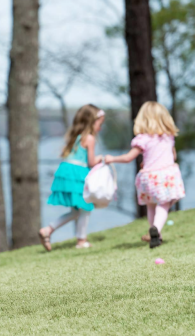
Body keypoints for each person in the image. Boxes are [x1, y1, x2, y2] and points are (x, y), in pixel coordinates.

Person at [105, 101, 185, 248]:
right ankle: (156, 229)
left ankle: (154, 233)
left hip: (148, 177)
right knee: (164, 204)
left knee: (151, 205)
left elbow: (129, 158)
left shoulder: (142, 139)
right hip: (166, 175)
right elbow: (172, 156)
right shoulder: (168, 136)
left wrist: (112, 158)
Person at [39, 104, 104, 251]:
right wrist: (101, 159)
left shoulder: (75, 137)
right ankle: (81, 240)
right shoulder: (90, 138)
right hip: (78, 174)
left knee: (76, 211)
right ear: (92, 122)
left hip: (66, 172)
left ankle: (48, 230)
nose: (100, 127)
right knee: (85, 207)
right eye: (100, 123)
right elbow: (91, 162)